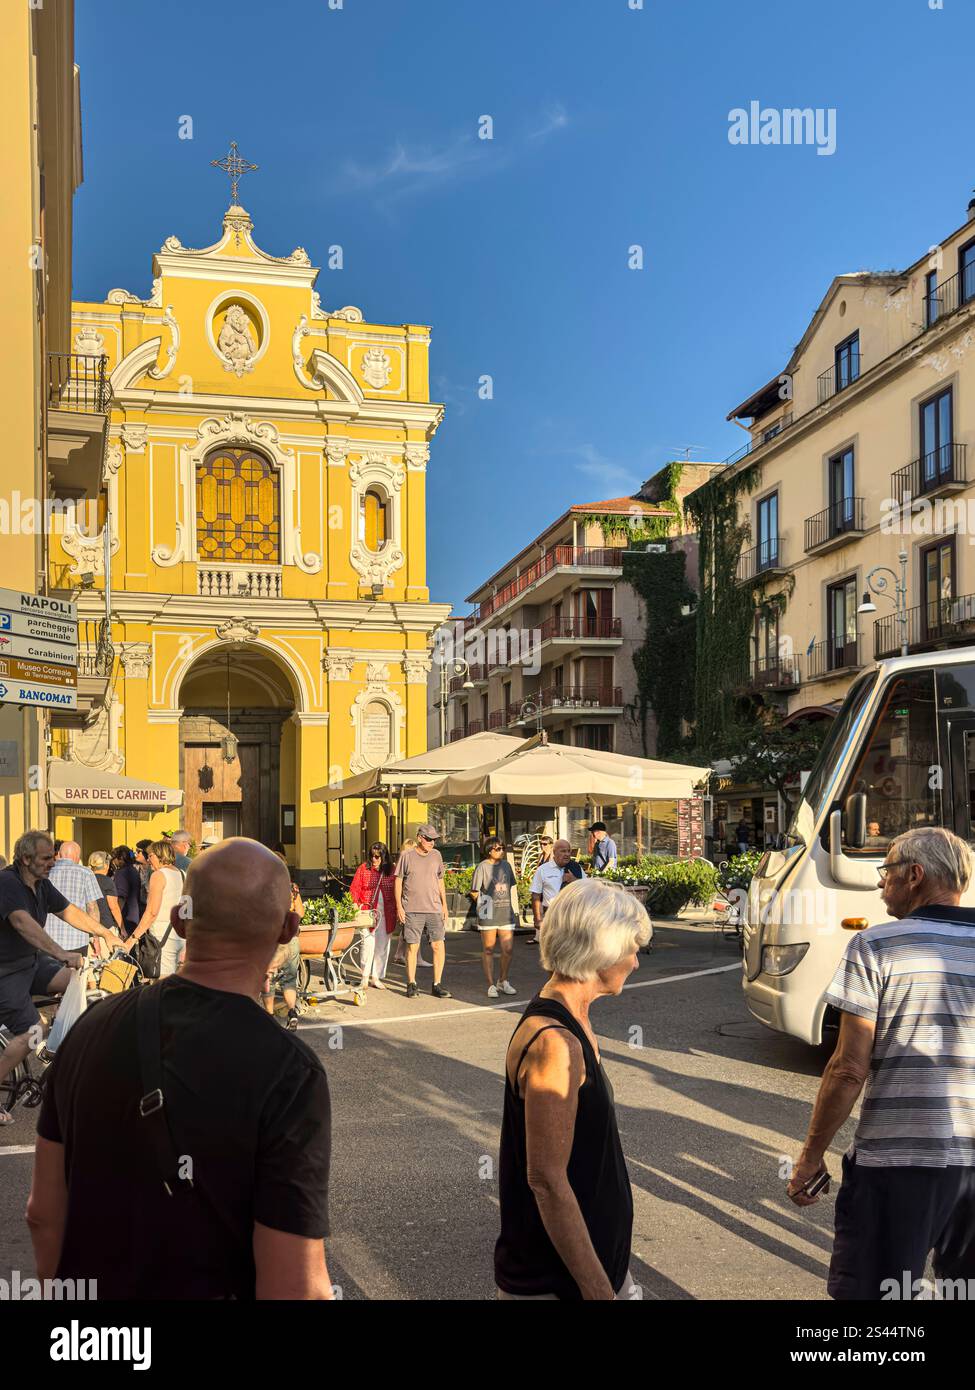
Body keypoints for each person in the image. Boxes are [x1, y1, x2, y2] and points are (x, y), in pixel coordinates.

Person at [27, 837, 334, 1299]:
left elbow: (42, 1214)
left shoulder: (89, 1029)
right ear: (289, 929)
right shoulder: (289, 1072)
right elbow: (294, 1284)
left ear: (179, 921)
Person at [788, 827, 975, 1300]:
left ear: (914, 876)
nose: (879, 883)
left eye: (885, 871)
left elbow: (849, 1068)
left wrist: (811, 1156)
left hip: (900, 1163)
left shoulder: (877, 946)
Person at [495, 878, 650, 1299]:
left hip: (596, 1273)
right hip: (562, 1285)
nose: (636, 961)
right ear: (601, 950)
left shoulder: (572, 1018)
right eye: (632, 947)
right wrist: (601, 1292)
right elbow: (545, 1179)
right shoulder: (555, 1043)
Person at [0, 832, 96, 1126]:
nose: (52, 862)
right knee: (33, 1032)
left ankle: (61, 1047)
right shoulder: (7, 883)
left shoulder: (41, 885)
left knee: (77, 980)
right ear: (25, 859)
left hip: (32, 962)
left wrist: (104, 933)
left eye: (53, 856)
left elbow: (68, 911)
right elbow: (21, 922)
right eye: (45, 858)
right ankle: (40, 1040)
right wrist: (61, 951)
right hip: (6, 971)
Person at [394, 825, 451, 1000]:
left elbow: (440, 880)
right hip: (412, 908)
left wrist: (445, 905)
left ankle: (437, 984)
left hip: (434, 908)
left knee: (438, 945)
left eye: (434, 839)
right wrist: (399, 906)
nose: (431, 843)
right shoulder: (407, 856)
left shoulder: (436, 856)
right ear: (419, 837)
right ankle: (411, 984)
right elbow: (398, 881)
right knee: (412, 946)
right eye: (428, 839)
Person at [45, 841, 124, 960]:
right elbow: (92, 908)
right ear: (78, 858)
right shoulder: (86, 873)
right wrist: (95, 938)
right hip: (77, 940)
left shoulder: (45, 872)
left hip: (47, 940)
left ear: (59, 855)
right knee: (75, 977)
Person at [125, 840, 186, 977]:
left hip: (162, 937)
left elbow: (152, 912)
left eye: (150, 855)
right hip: (181, 936)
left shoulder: (159, 875)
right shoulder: (182, 874)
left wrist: (132, 939)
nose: (148, 859)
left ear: (159, 855)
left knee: (162, 985)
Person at [261, 852, 305, 1029]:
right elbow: (300, 913)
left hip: (271, 939)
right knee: (289, 978)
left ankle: (270, 1017)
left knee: (268, 979)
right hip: (292, 939)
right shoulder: (292, 887)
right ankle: (292, 1012)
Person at [471, 838, 518, 998]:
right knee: (489, 949)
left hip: (505, 913)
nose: (501, 850)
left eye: (502, 847)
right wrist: (484, 905)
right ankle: (491, 985)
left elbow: (510, 885)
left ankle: (503, 981)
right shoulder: (482, 867)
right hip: (488, 913)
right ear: (489, 850)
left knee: (508, 949)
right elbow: (474, 891)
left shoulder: (506, 865)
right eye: (497, 848)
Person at [350, 843, 397, 991]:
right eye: (372, 855)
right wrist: (355, 905)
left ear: (384, 856)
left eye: (377, 856)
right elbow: (355, 888)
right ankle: (364, 976)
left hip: (387, 913)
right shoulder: (364, 869)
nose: (374, 859)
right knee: (367, 944)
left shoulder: (391, 870)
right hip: (367, 911)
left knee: (382, 946)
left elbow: (398, 888)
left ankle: (376, 976)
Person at [530, 839, 586, 944]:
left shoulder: (576, 868)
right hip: (551, 916)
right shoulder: (543, 870)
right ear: (554, 852)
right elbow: (536, 895)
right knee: (553, 949)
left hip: (572, 916)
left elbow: (587, 889)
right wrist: (537, 918)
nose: (567, 854)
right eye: (563, 851)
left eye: (568, 851)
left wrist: (573, 880)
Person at [87, 850, 124, 939]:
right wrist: (122, 928)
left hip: (88, 928)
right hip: (106, 928)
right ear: (106, 866)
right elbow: (114, 907)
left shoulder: (85, 879)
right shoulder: (107, 881)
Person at [112, 845, 143, 937]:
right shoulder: (134, 870)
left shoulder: (121, 873)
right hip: (134, 914)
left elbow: (121, 897)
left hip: (124, 916)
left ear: (120, 858)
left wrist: (116, 919)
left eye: (114, 858)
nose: (113, 861)